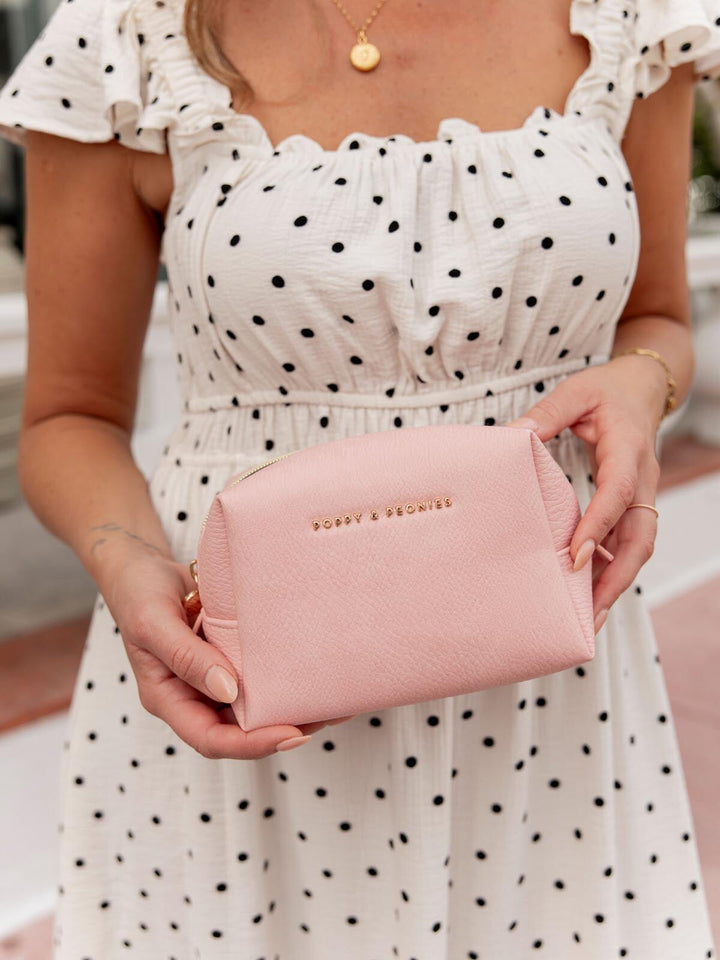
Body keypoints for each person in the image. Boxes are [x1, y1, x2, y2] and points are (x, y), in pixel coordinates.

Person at [0, 0, 719, 956]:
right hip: (237, 668)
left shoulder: (627, 16)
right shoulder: (126, 36)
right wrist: (131, 567)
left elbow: (660, 319)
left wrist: (640, 386)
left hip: (552, 689)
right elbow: (69, 415)